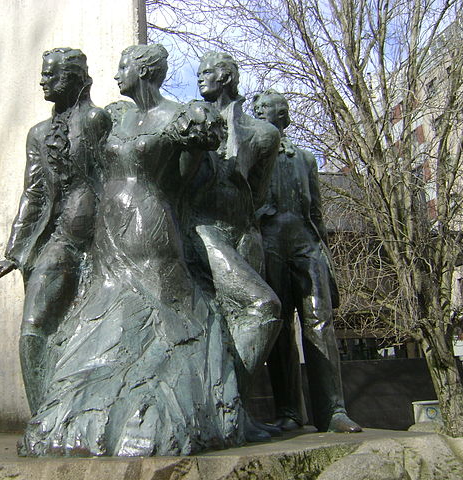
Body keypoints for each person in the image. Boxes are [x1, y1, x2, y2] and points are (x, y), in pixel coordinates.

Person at [19, 44, 249, 457]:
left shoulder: (180, 116)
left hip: (149, 225)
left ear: (144, 71)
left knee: (153, 312)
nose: (116, 74)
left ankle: (157, 416)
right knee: (102, 318)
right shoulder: (115, 117)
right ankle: (82, 420)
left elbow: (192, 177)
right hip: (108, 231)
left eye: (123, 65)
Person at [0, 48, 111, 414]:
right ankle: (43, 416)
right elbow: (34, 193)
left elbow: (114, 177)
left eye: (51, 75)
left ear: (74, 78)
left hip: (104, 242)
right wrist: (14, 253)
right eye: (43, 74)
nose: (43, 81)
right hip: (57, 241)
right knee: (33, 327)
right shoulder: (38, 134)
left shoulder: (98, 121)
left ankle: (86, 411)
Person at [252, 89, 362, 433]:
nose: (258, 114)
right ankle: (290, 411)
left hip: (306, 243)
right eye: (256, 110)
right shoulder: (252, 156)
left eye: (264, 110)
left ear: (282, 117)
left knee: (320, 323)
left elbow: (315, 210)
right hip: (269, 242)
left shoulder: (306, 159)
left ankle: (332, 411)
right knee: (280, 326)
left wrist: (324, 252)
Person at [190, 52, 282, 435]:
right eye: (197, 74)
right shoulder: (190, 117)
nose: (200, 79)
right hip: (202, 229)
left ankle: (232, 411)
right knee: (263, 305)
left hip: (244, 232)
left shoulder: (264, 134)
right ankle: (221, 410)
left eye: (207, 72)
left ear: (227, 76)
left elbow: (257, 192)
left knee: (240, 322)